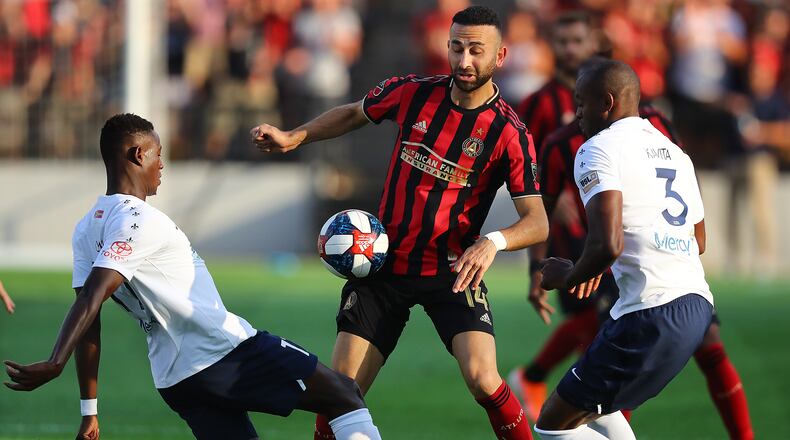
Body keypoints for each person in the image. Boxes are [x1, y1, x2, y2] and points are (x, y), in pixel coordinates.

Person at [252, 6, 551, 440]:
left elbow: (537, 221)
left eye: (476, 51)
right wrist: (295, 136)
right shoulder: (413, 92)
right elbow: (354, 112)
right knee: (339, 391)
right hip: (383, 265)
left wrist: (493, 242)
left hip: (452, 269)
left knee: (483, 379)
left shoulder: (508, 133)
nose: (464, 61)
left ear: (500, 56)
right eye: (457, 47)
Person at [3, 114, 382, 440]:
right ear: (138, 155)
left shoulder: (86, 228)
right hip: (224, 352)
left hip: (177, 379)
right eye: (158, 155)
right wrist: (55, 361)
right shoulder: (139, 221)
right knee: (344, 395)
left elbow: (88, 321)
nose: (161, 165)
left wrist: (89, 408)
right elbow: (93, 298)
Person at [519, 59, 753, 437]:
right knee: (600, 414)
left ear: (607, 103)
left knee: (551, 424)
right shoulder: (674, 152)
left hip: (649, 314)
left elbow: (607, 243)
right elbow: (700, 240)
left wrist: (568, 275)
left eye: (582, 102)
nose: (576, 112)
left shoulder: (596, 148)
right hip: (697, 307)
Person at [507, 11, 600, 420]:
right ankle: (578, 406)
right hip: (566, 228)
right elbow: (519, 160)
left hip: (607, 220)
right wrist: (547, 193)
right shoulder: (539, 103)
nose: (569, 50)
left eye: (577, 41)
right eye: (562, 42)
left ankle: (537, 377)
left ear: (591, 44)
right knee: (596, 317)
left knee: (604, 321)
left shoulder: (609, 94)